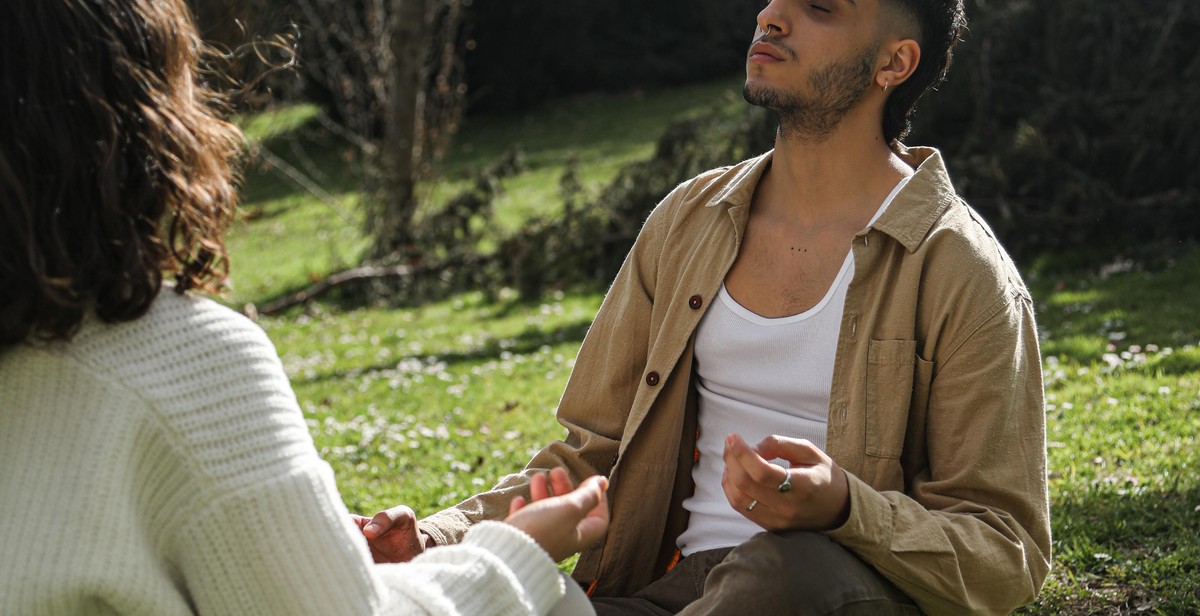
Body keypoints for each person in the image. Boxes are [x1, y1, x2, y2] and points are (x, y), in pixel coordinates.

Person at [360, 0, 1052, 613]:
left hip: (828, 587)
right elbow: (595, 454)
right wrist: (436, 537)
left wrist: (845, 507)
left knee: (781, 572)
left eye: (819, 7)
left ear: (894, 62)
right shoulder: (688, 220)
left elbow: (1005, 552)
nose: (771, 16)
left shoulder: (960, 268)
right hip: (664, 590)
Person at [0, 1, 607, 614]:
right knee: (552, 601)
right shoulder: (187, 364)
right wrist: (516, 550)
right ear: (144, 126)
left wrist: (312, 547)